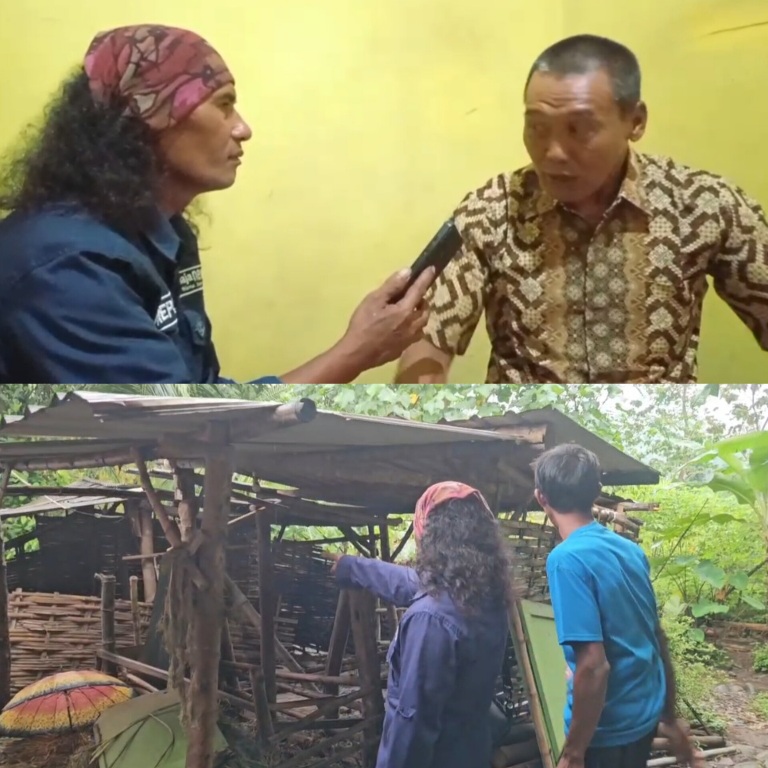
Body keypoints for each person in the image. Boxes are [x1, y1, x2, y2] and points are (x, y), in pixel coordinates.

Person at [0, 24, 434, 384]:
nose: (243, 129)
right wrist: (356, 351)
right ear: (154, 116)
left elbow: (202, 399)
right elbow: (181, 429)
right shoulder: (67, 264)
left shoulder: (165, 233)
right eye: (224, 105)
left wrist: (357, 349)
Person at [396, 34, 768, 384]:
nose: (553, 152)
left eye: (579, 129)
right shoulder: (493, 209)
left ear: (635, 122)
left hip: (654, 426)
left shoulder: (702, 204)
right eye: (537, 128)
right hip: (529, 425)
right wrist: (420, 412)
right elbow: (428, 339)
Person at [533, 443, 703, 768]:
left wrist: (573, 753)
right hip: (644, 716)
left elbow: (594, 666)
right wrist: (669, 716)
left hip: (606, 730)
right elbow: (655, 636)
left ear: (541, 497)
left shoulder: (567, 560)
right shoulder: (629, 551)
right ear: (597, 490)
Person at [326, 481, 512, 768]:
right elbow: (409, 582)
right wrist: (352, 567)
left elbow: (412, 728)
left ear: (428, 534)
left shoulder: (430, 619)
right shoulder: (486, 597)